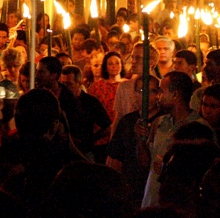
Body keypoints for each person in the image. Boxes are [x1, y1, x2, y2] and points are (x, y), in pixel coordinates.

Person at [106, 74, 162, 208]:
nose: (145, 96)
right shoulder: (127, 121)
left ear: (159, 94)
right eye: (141, 91)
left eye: (151, 91)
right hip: (131, 187)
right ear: (134, 93)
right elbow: (115, 158)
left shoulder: (164, 121)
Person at [142, 71, 197, 207]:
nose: (157, 97)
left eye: (161, 91)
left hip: (177, 205)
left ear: (175, 95)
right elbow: (147, 164)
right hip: (152, 199)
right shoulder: (159, 123)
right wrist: (139, 139)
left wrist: (168, 167)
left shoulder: (198, 128)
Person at [60, 64, 112, 161]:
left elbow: (107, 127)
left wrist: (89, 140)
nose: (65, 88)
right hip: (63, 152)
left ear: (79, 83)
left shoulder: (90, 102)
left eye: (69, 84)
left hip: (84, 152)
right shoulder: (59, 101)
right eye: (62, 84)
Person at [90, 50, 128, 125]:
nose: (114, 66)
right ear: (105, 67)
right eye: (110, 64)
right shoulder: (97, 86)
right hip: (103, 127)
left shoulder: (128, 85)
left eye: (117, 63)